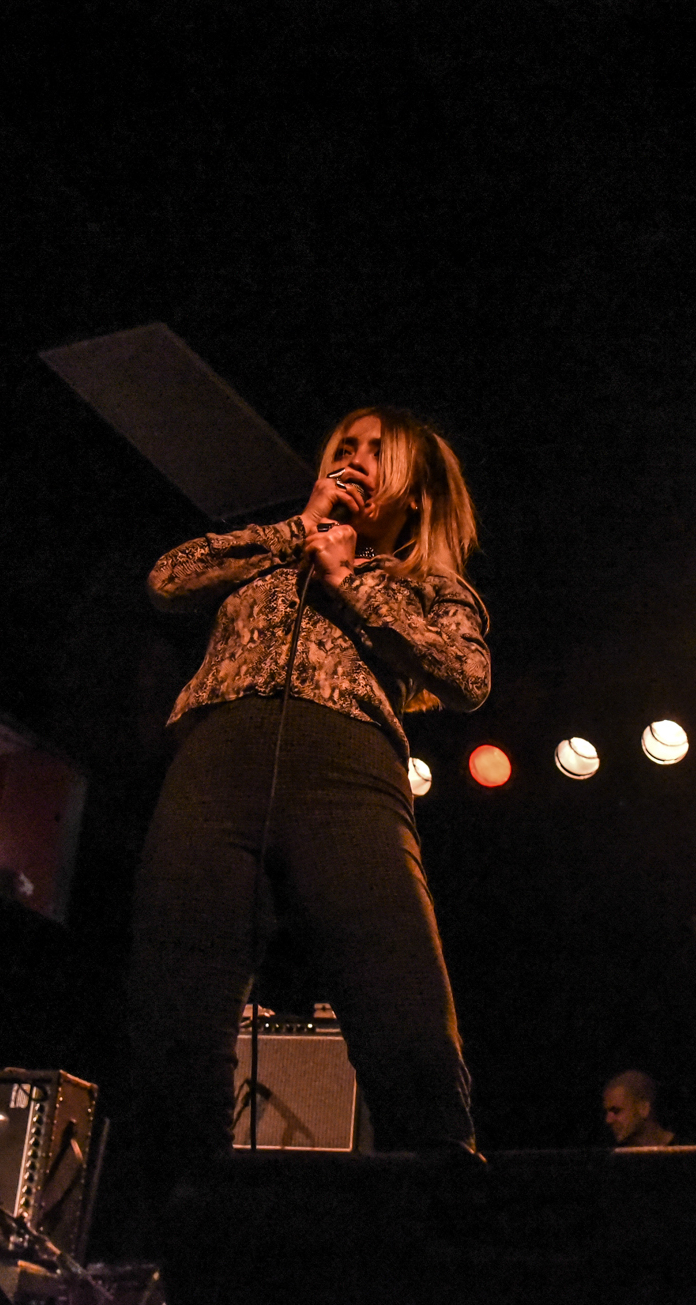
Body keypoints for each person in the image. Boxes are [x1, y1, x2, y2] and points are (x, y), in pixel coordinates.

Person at [128, 405, 488, 1187]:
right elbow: (167, 578)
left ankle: (446, 1219)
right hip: (215, 762)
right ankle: (181, 1222)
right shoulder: (271, 551)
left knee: (405, 1020)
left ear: (416, 492)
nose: (353, 459)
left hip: (347, 774)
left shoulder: (428, 583)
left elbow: (466, 677)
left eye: (377, 451)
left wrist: (348, 579)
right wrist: (300, 531)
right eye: (343, 447)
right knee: (174, 1019)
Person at [602, 1070, 678, 1148]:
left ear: (644, 1108)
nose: (608, 1120)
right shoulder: (615, 1152)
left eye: (616, 1111)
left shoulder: (682, 1150)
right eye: (607, 1112)